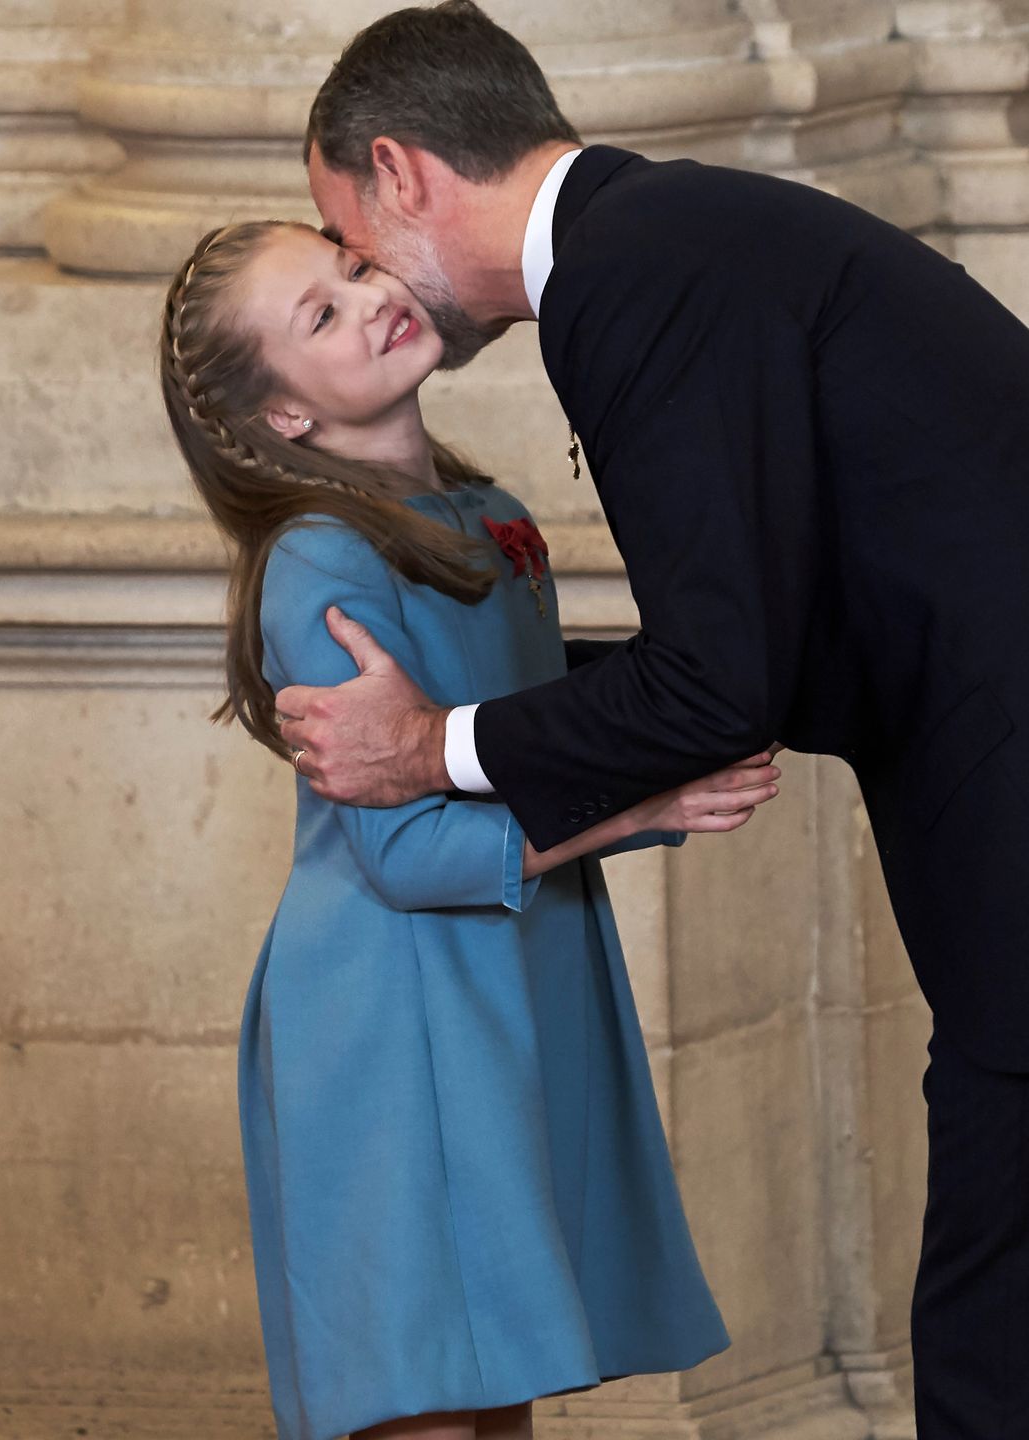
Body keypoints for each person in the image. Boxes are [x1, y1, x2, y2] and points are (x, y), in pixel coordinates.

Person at [273, 5, 1029, 1437]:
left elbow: (718, 678)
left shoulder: (632, 276)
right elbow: (761, 621)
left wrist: (426, 747)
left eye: (353, 242)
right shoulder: (666, 237)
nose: (370, 285)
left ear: (401, 168)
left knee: (999, 1318)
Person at [158, 218, 783, 1440]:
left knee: (501, 1388)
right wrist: (639, 809)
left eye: (350, 268)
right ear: (282, 416)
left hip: (502, 994)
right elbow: (402, 855)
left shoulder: (487, 512)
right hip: (395, 1017)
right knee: (431, 1401)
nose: (368, 297)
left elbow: (536, 728)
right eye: (319, 317)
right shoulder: (319, 559)